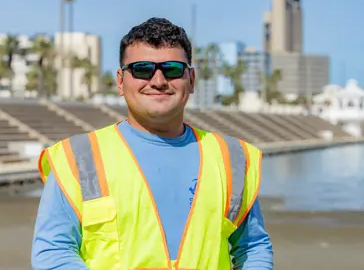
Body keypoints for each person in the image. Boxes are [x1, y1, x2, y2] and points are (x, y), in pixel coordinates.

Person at [31, 17, 274, 269]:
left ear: (191, 79)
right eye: (142, 69)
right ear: (120, 81)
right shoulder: (78, 157)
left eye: (172, 69)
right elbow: (54, 251)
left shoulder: (229, 157)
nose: (158, 80)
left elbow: (253, 248)